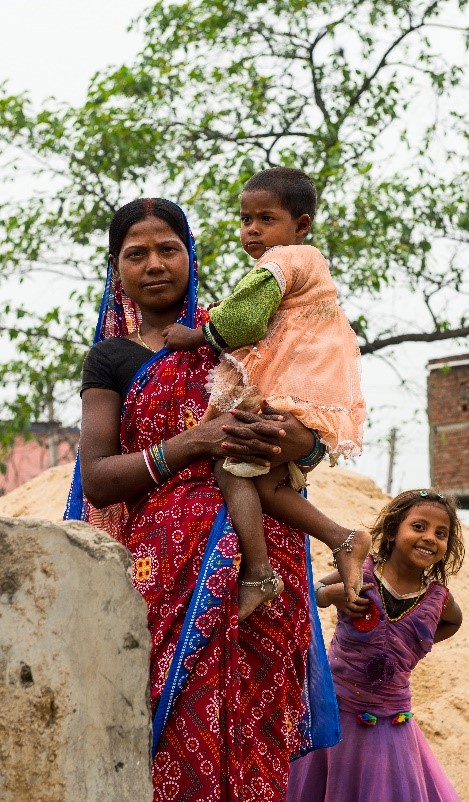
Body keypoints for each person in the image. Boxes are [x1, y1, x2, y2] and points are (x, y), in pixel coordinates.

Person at [65, 197, 341, 802]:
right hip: (164, 567)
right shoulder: (111, 359)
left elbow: (311, 423)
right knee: (169, 713)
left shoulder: (241, 336)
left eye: (169, 249)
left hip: (262, 560)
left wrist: (290, 438)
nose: (155, 264)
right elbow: (99, 479)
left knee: (256, 722)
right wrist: (190, 442)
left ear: (192, 257)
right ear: (117, 272)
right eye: (136, 255)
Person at [163, 167, 369, 621]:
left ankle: (258, 572)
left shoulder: (284, 262)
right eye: (245, 219)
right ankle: (343, 538)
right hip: (310, 403)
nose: (251, 229)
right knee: (266, 483)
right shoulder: (307, 270)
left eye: (265, 218)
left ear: (301, 225)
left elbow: (243, 322)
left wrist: (196, 336)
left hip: (295, 398)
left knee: (230, 468)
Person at [287, 488, 465, 802]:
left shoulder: (438, 598)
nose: (429, 538)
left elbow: (454, 621)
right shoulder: (363, 571)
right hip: (335, 714)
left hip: (391, 726)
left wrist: (414, 644)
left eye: (441, 533)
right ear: (395, 530)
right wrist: (330, 596)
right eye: (419, 527)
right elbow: (311, 589)